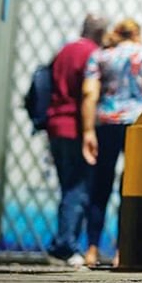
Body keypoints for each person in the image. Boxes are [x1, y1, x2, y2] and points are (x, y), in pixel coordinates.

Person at [80, 18, 142, 266]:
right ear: (138, 34)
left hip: (106, 122)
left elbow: (89, 93)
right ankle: (122, 252)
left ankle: (92, 250)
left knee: (100, 187)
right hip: (139, 124)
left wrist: (87, 130)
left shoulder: (101, 56)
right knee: (132, 188)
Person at [45, 14, 106, 267]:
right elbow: (88, 93)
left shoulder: (64, 51)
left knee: (66, 187)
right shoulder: (92, 54)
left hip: (55, 123)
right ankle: (66, 246)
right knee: (77, 189)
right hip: (75, 127)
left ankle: (62, 241)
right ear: (100, 34)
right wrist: (90, 129)